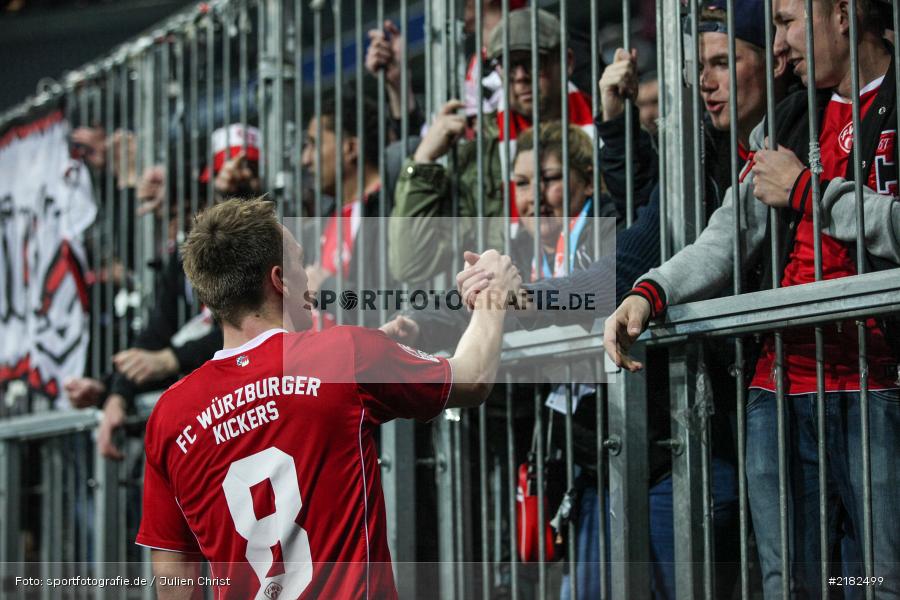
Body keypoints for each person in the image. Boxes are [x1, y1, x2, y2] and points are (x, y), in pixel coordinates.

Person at [604, 0, 900, 596]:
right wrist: (652, 292)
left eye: (788, 21)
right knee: (790, 583)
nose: (781, 43)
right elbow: (726, 234)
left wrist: (806, 191)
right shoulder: (789, 119)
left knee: (877, 579)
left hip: (879, 381)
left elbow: (809, 200)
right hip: (780, 389)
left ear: (843, 14)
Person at [135, 198, 519, 599]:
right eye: (302, 264)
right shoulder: (346, 354)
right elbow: (472, 378)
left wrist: (377, 350)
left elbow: (174, 583)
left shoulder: (170, 414)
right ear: (280, 279)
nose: (310, 281)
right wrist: (492, 294)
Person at [389, 7, 596, 285]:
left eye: (535, 61)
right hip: (514, 314)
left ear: (567, 61)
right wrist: (424, 160)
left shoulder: (606, 125)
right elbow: (411, 264)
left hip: (600, 299)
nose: (520, 76)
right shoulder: (480, 153)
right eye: (508, 65)